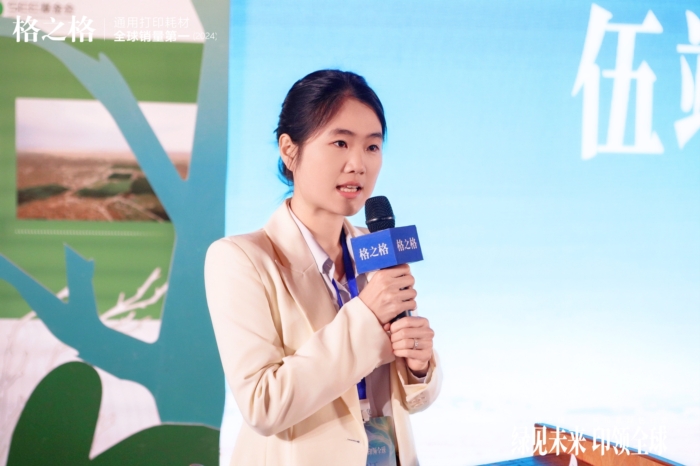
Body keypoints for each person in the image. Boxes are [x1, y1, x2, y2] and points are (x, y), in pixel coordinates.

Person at [204, 69, 442, 466]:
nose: (358, 164)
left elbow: (413, 399)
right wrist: (366, 315)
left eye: (372, 146)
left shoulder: (376, 247)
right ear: (289, 150)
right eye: (340, 142)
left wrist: (418, 366)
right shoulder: (241, 258)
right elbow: (264, 405)